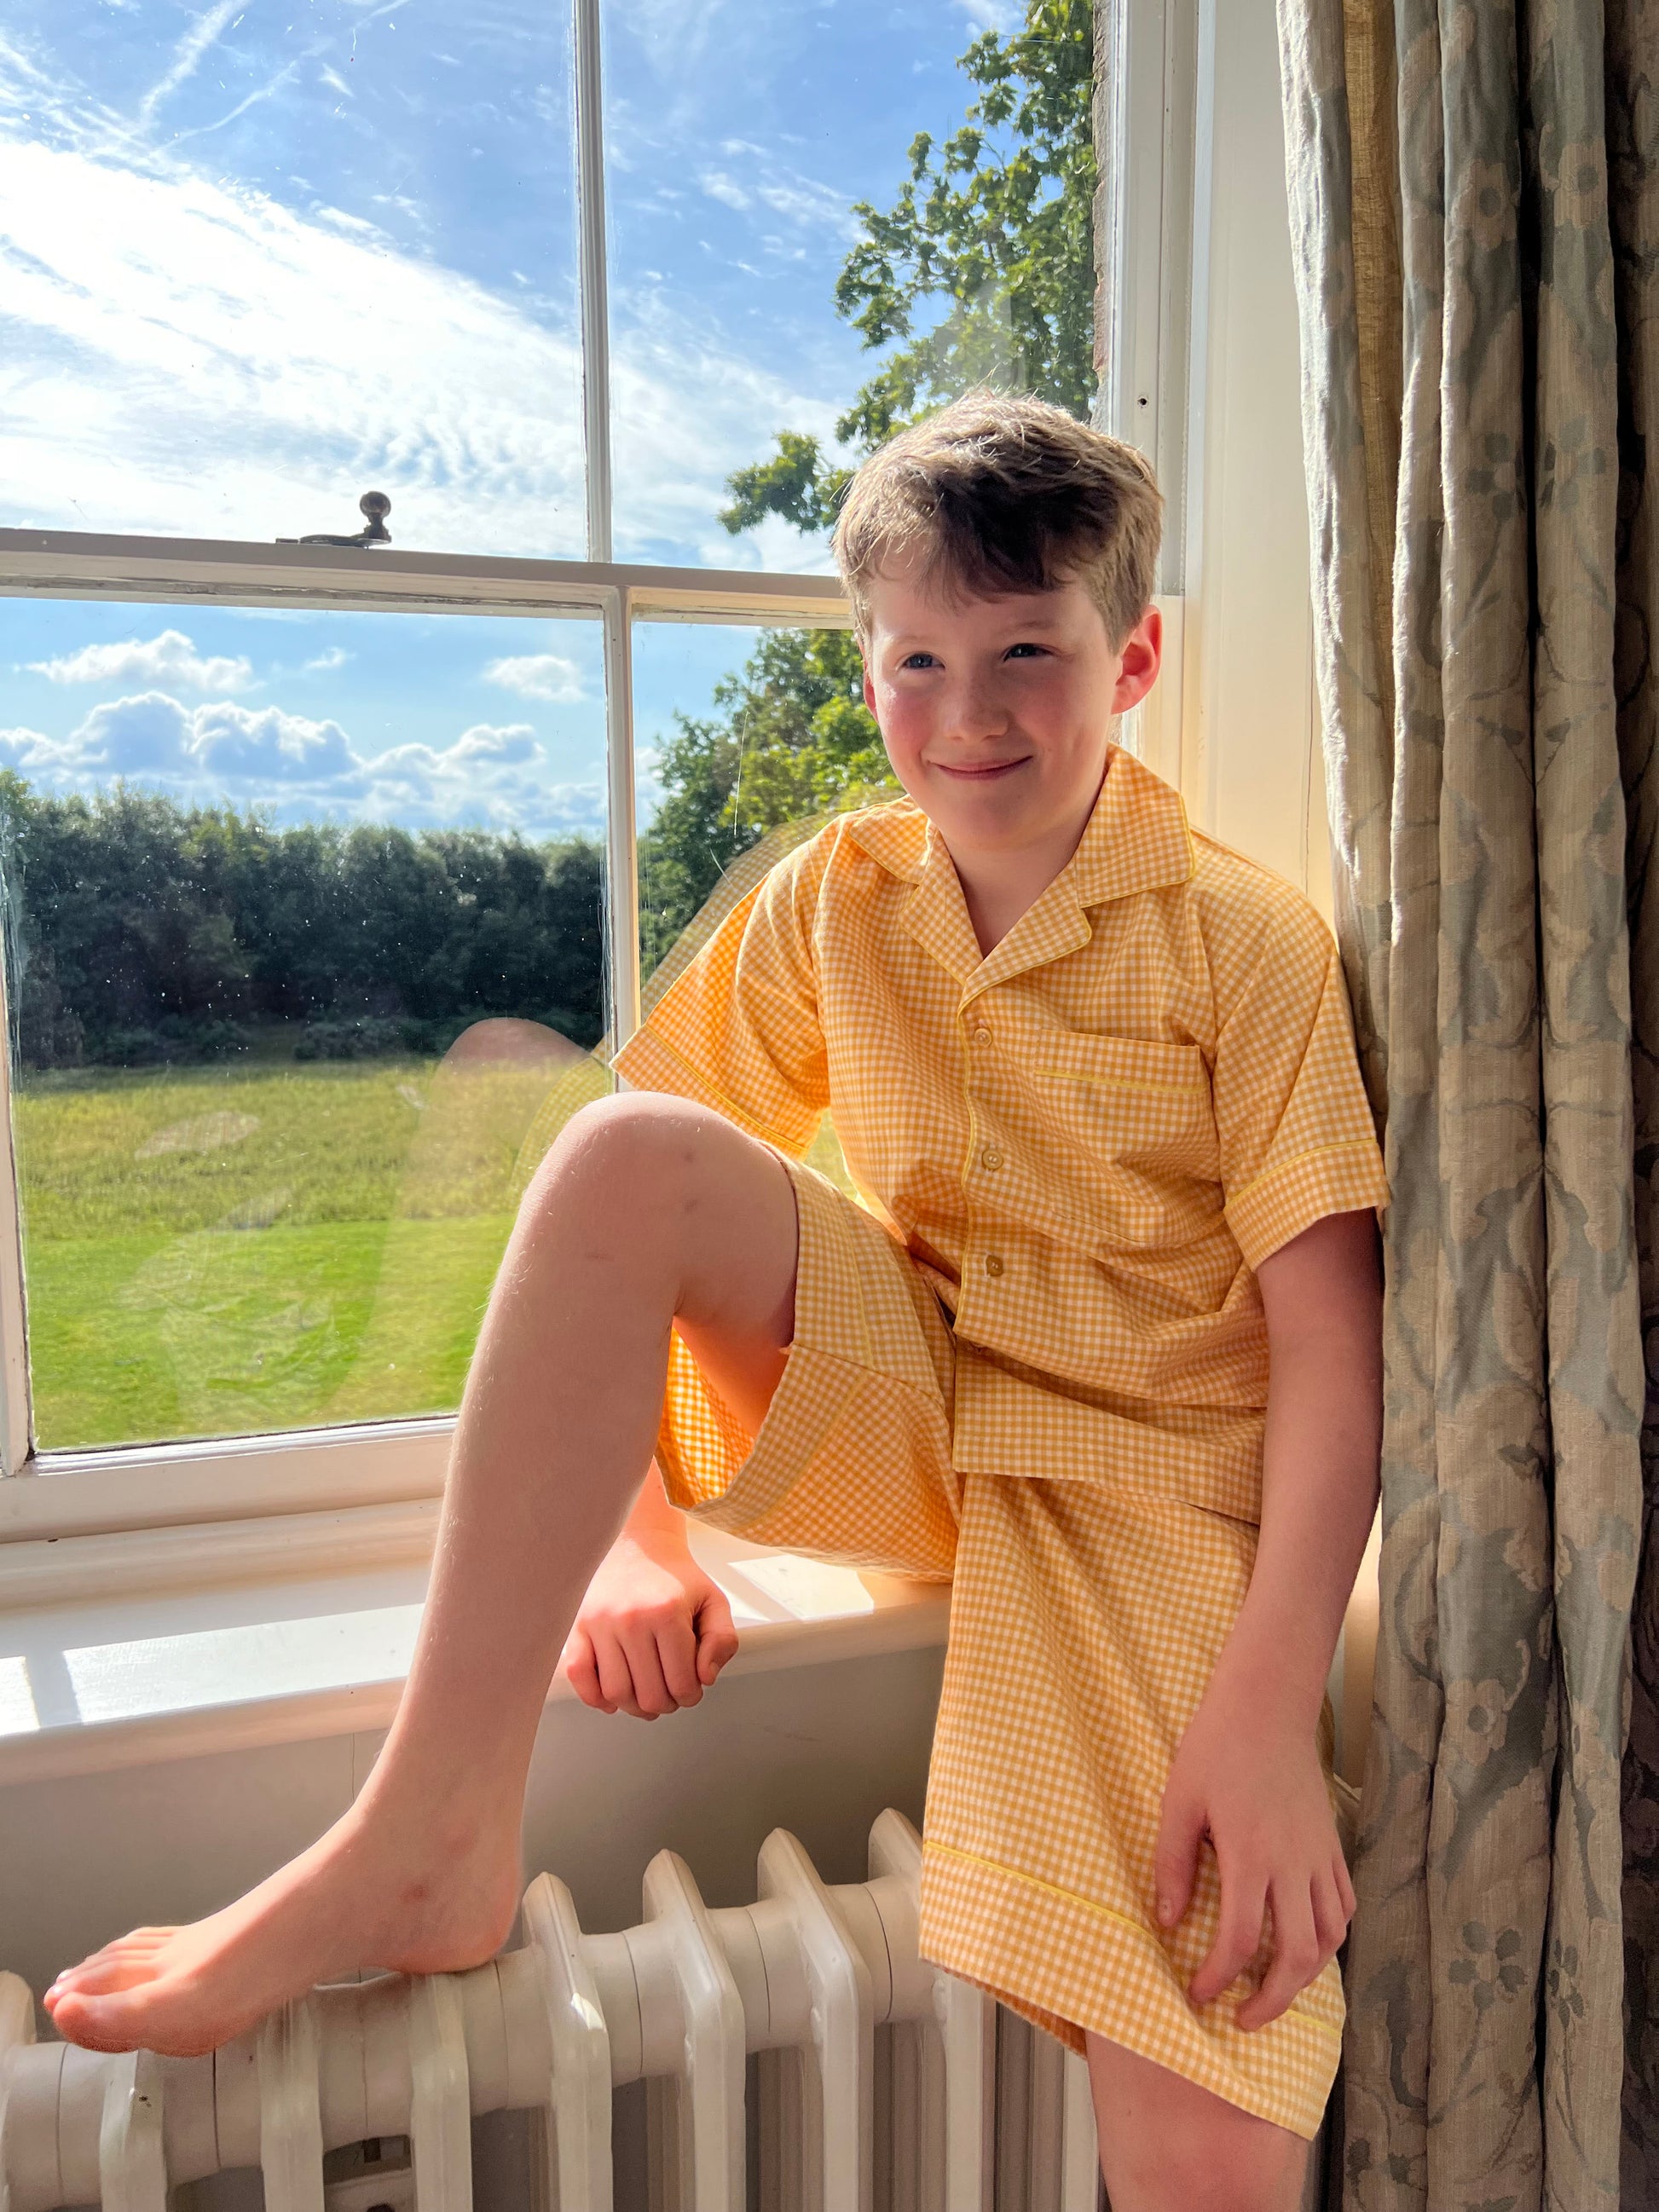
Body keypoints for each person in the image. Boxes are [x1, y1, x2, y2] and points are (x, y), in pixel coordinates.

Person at [43, 393, 1385, 2212]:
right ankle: (424, 1828)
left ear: (1129, 655)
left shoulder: (1244, 939)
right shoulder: (835, 896)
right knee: (622, 1157)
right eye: (916, 659)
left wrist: (1265, 1706)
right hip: (919, 1404)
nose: (970, 712)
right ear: (864, 676)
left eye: (1026, 652)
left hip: (1153, 1483)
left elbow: (1328, 1333)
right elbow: (639, 1174)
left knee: (1209, 2076)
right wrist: (632, 1528)